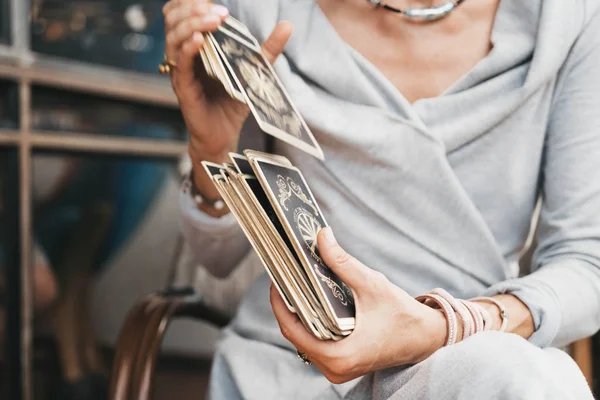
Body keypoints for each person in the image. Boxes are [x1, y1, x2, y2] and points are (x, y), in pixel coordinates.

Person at [162, 0, 600, 398]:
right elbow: (217, 259)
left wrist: (446, 326)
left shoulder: (567, 20)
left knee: (513, 374)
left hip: (475, 361)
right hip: (293, 370)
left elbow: (587, 262)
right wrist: (212, 150)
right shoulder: (261, 12)